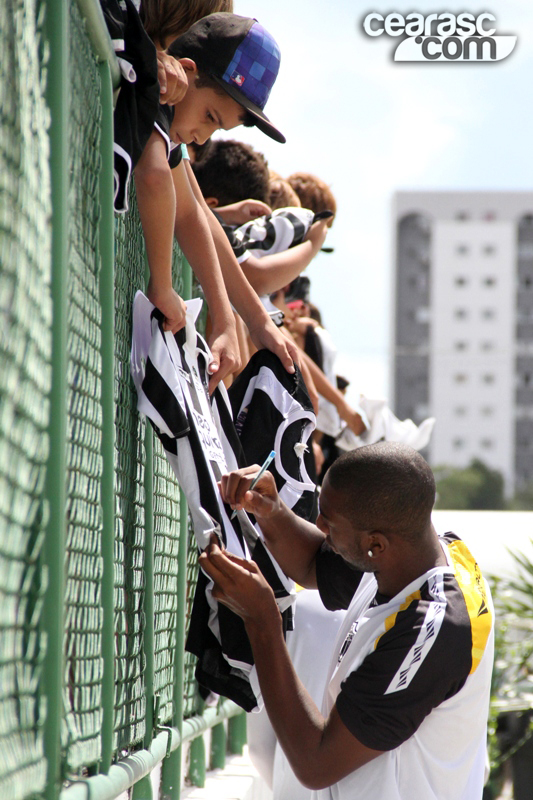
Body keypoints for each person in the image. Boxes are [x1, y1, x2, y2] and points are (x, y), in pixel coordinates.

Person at [200, 442, 494, 800]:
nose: (320, 527)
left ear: (376, 545)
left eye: (330, 521)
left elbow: (316, 762)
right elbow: (315, 565)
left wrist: (262, 622)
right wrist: (272, 512)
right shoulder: (411, 553)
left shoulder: (431, 633)